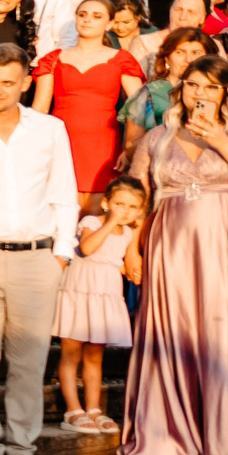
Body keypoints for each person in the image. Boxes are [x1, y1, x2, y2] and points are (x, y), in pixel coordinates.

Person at [0, 45, 79, 455]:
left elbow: (64, 190)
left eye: (7, 82)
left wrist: (61, 256)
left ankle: (23, 451)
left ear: (25, 83)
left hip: (37, 257)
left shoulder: (49, 129)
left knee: (29, 361)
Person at [120, 56, 228, 455]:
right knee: (171, 336)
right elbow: (140, 200)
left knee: (223, 335)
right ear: (180, 90)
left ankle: (226, 445)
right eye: (193, 86)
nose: (200, 94)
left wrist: (223, 141)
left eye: (210, 87)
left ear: (225, 92)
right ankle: (169, 439)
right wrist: (133, 248)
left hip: (223, 246)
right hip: (168, 246)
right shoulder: (155, 136)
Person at [33, 0, 146, 208]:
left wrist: (129, 148)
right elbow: (39, 111)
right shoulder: (53, 59)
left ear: (110, 23)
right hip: (62, 143)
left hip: (105, 145)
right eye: (82, 15)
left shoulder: (122, 59)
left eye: (96, 16)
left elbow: (138, 109)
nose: (87, 20)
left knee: (100, 211)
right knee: (61, 208)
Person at [56, 177, 144, 431]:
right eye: (119, 204)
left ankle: (94, 409)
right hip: (80, 292)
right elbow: (88, 247)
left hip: (104, 296)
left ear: (139, 211)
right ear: (106, 203)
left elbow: (124, 263)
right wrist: (110, 222)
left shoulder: (128, 234)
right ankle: (73, 410)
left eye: (131, 207)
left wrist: (132, 269)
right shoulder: (92, 222)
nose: (124, 211)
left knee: (95, 355)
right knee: (71, 353)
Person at [120, 27, 209, 162]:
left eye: (196, 52)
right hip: (162, 166)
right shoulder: (149, 94)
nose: (189, 59)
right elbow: (132, 147)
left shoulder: (220, 91)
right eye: (180, 52)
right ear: (167, 58)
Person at [102, 0, 150, 64]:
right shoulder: (104, 38)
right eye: (115, 22)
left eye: (126, 22)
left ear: (138, 17)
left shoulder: (153, 35)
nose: (120, 28)